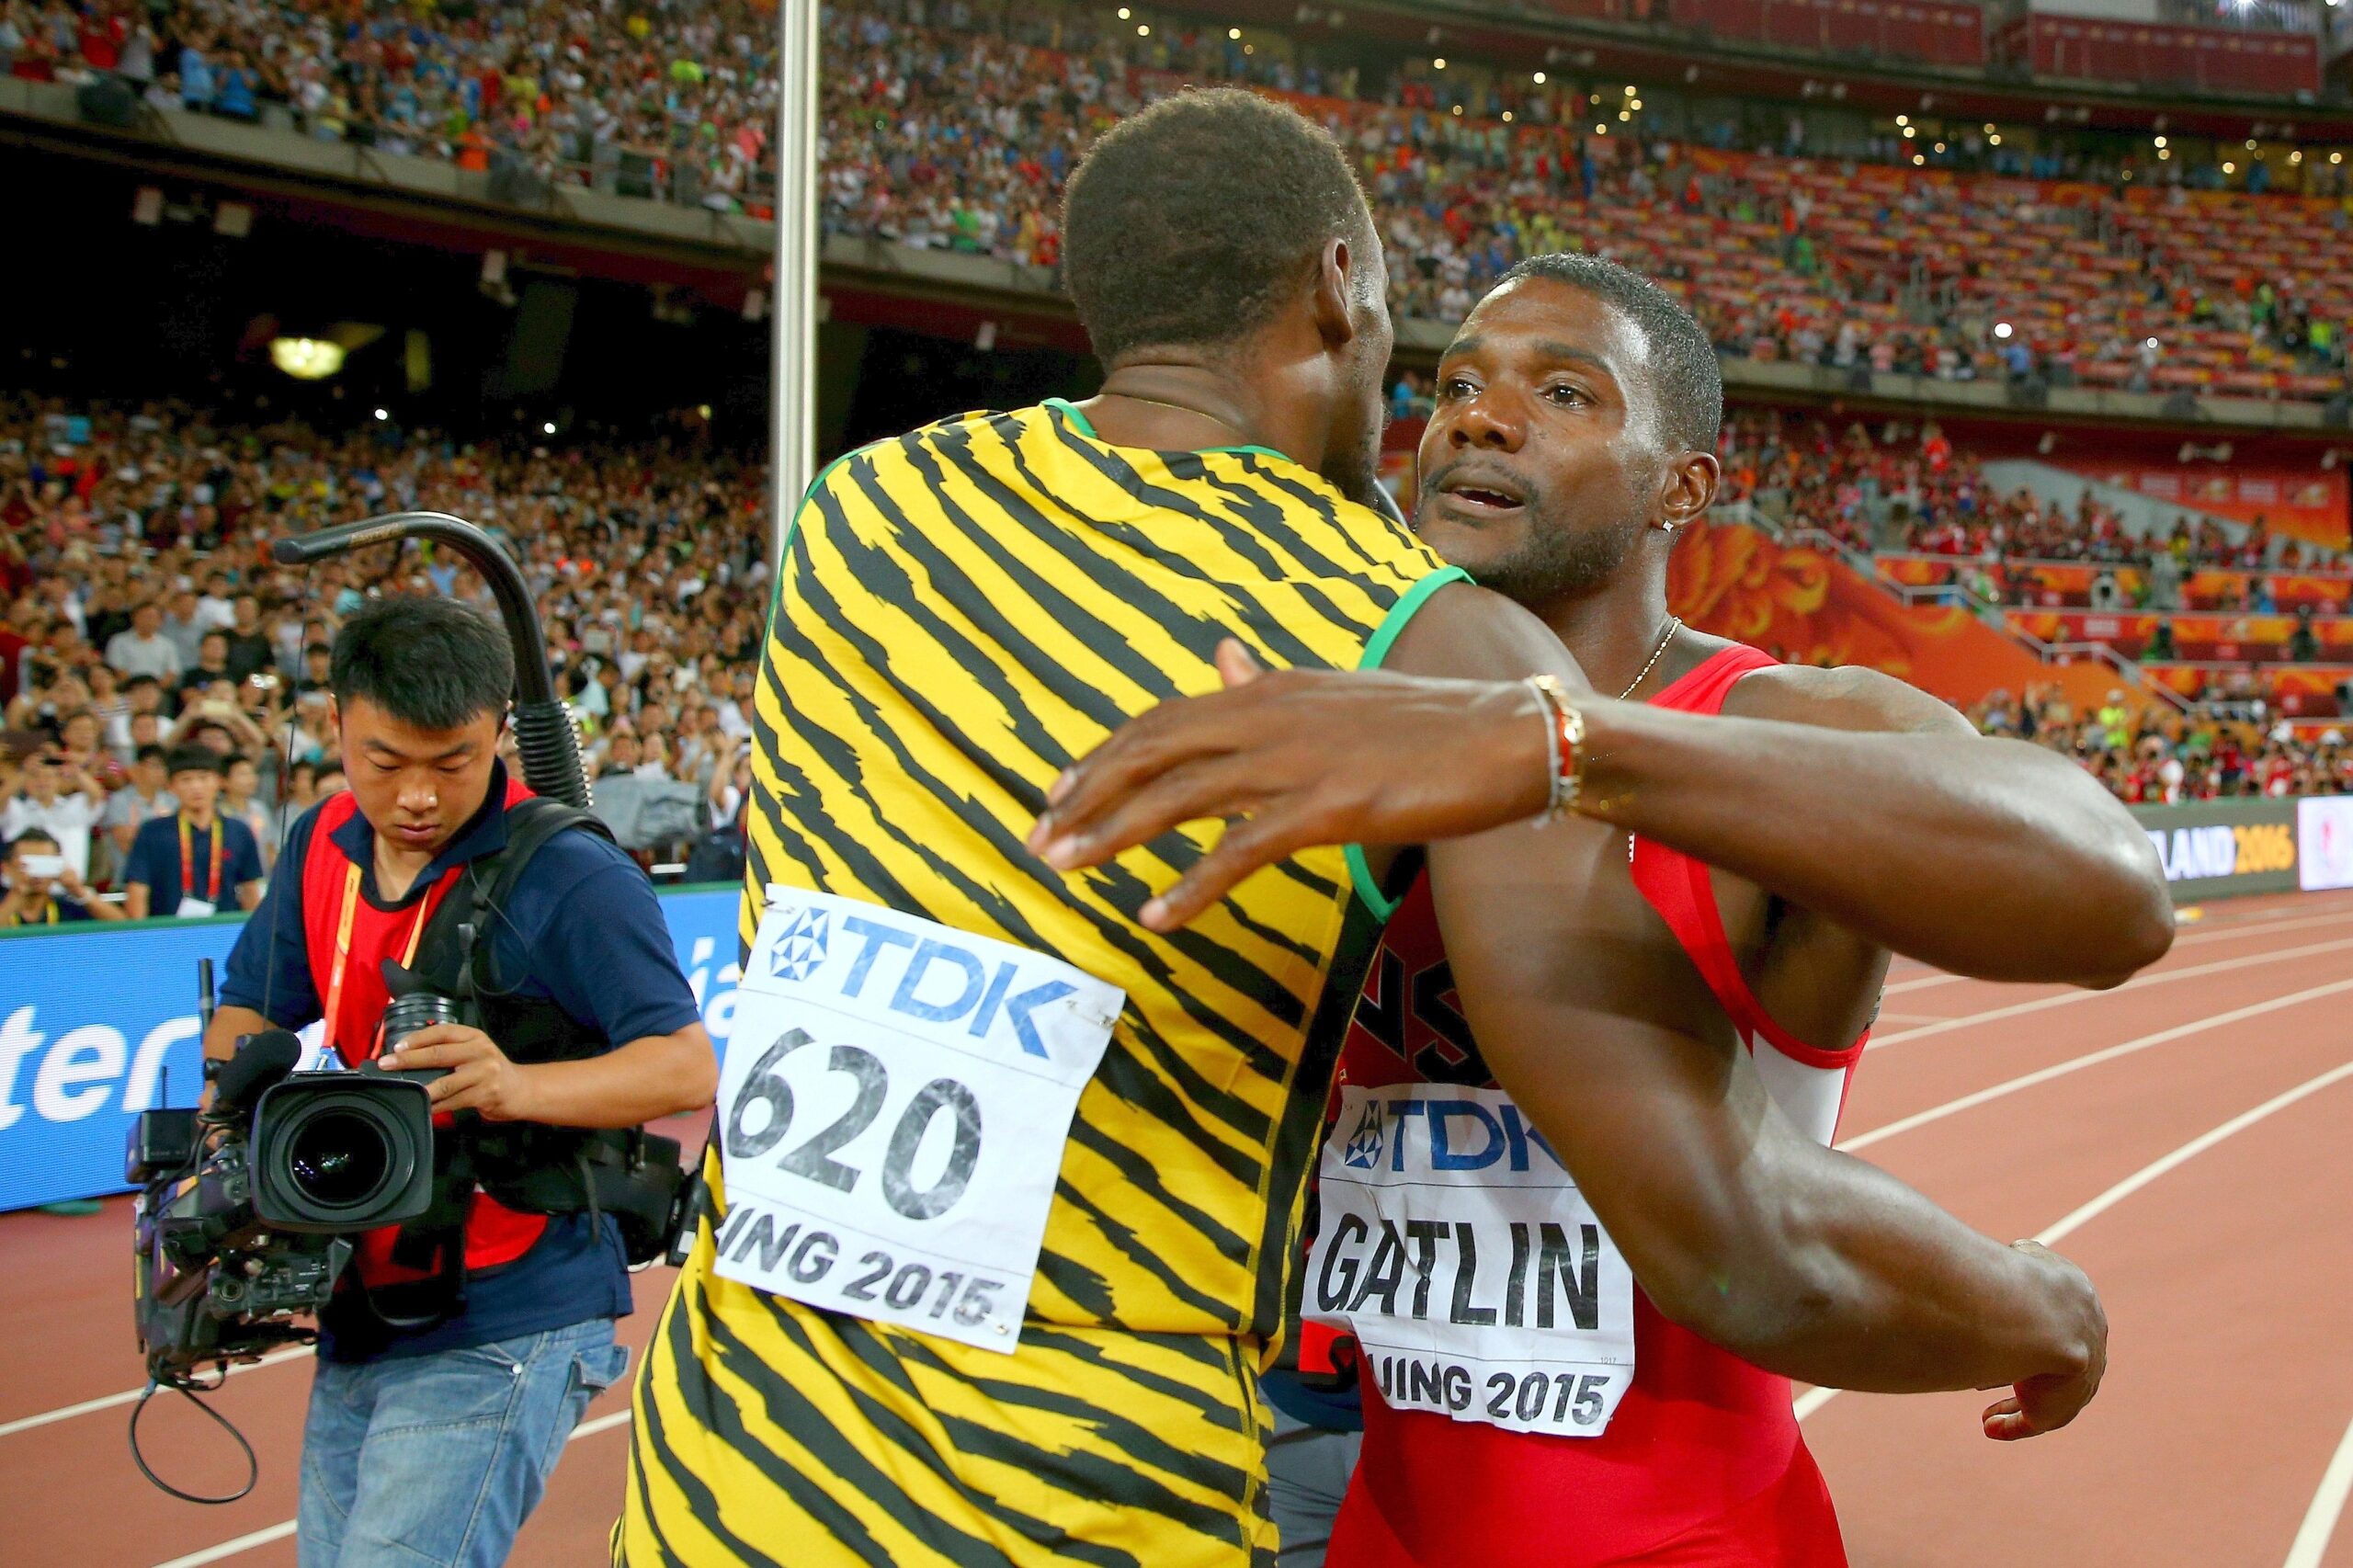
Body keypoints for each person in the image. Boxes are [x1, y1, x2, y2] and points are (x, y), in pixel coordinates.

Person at [1033, 267, 2176, 1566]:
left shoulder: (1778, 723)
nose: (1477, 417)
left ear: (1680, 489)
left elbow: (2112, 891)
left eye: (1561, 391)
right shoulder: (1348, 711)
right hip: (1378, 1517)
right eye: (1456, 384)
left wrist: (1563, 745)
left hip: (1689, 1535)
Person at [620, 88, 1470, 1567]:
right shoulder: (1402, 626)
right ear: (1342, 284)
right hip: (1091, 1472)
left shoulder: (859, 507)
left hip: (733, 1447)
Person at [204, 596, 718, 1568]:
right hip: (362, 1294)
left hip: (513, 1301)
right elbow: (249, 1008)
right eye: (386, 761)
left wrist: (511, 1083)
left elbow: (685, 1064)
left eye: (454, 761)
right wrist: (230, 1123)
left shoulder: (569, 874)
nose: (417, 796)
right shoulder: (321, 841)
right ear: (337, 728)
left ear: (498, 732)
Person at [121, 746, 265, 918]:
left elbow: (250, 891)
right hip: (167, 933)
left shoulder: (239, 831)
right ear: (171, 786)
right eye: (186, 780)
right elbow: (138, 891)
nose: (196, 787)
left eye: (204, 778)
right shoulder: (152, 832)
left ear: (219, 782)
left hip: (225, 932)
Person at [1, 746, 108, 882]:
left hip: (66, 892)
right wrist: (23, 772)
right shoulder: (15, 810)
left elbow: (97, 795)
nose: (42, 782)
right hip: (19, 891)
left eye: (48, 776)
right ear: (25, 782)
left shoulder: (75, 808)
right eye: (35, 776)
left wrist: (77, 772)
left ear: (59, 781)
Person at [1, 827, 121, 925]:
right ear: (6, 867)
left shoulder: (66, 908)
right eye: (28, 864)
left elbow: (124, 928)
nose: (36, 874)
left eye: (44, 864)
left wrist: (79, 891)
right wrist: (17, 894)